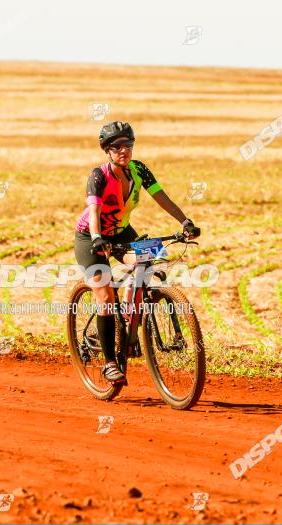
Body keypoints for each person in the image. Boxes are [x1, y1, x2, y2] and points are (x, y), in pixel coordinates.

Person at [74, 121, 200, 383]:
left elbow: (162, 197)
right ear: (107, 150)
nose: (124, 150)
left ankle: (131, 327)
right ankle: (110, 363)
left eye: (128, 145)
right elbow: (94, 212)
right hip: (91, 237)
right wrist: (97, 238)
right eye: (117, 146)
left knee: (147, 262)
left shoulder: (139, 169)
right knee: (106, 297)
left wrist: (185, 222)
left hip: (121, 232)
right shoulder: (98, 176)